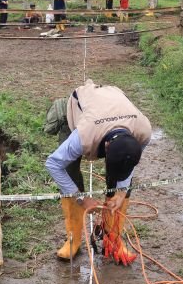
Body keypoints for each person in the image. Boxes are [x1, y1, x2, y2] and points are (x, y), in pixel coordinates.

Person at [45, 80, 152, 263]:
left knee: (119, 182)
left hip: (112, 107)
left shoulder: (143, 131)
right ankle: (74, 241)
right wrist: (82, 198)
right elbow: (53, 164)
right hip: (78, 111)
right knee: (70, 174)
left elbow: (128, 166)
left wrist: (121, 192)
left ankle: (113, 241)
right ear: (106, 147)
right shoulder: (84, 135)